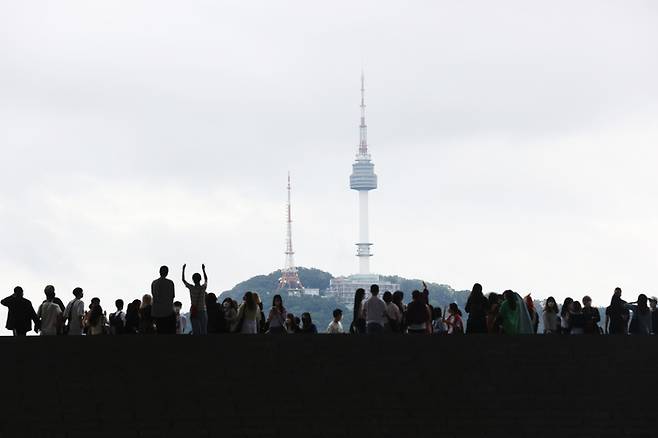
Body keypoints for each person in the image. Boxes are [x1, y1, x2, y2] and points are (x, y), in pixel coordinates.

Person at [182, 264, 208, 336]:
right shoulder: (203, 288)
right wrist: (203, 270)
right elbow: (206, 280)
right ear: (200, 279)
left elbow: (183, 280)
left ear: (193, 280)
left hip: (194, 311)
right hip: (202, 310)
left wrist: (183, 269)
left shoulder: (191, 288)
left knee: (196, 331)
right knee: (203, 331)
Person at [151, 265, 176, 334]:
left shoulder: (154, 283)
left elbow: (153, 295)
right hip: (167, 311)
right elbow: (172, 297)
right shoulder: (170, 283)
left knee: (159, 331)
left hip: (156, 311)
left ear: (159, 272)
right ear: (167, 273)